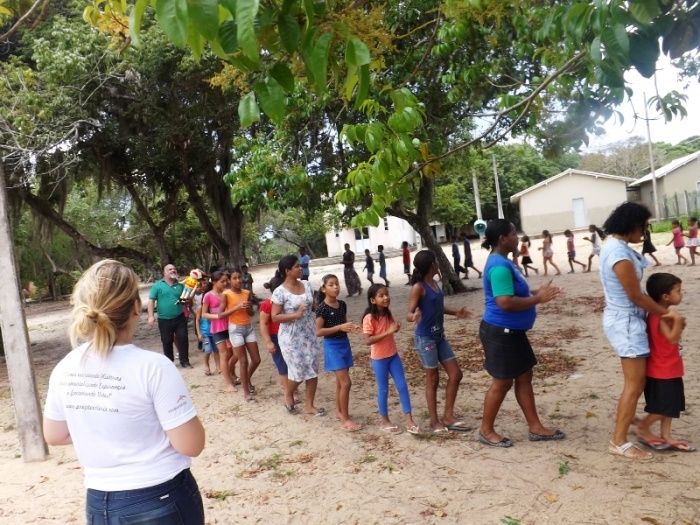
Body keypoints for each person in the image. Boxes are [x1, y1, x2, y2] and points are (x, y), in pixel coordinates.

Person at [43, 260, 205, 523]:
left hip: (99, 502)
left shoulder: (65, 367)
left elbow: (54, 434)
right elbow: (191, 444)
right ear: (136, 308)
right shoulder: (154, 367)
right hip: (160, 496)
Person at [600, 202, 684, 460]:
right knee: (634, 385)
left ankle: (632, 423)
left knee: (638, 382)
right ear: (631, 225)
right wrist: (667, 314)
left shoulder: (617, 247)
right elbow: (636, 295)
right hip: (626, 323)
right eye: (643, 227)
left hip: (627, 320)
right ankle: (619, 442)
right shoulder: (619, 254)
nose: (644, 232)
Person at [478, 220, 566, 447]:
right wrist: (538, 299)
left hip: (512, 332)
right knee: (502, 382)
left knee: (525, 375)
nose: (517, 238)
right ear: (502, 239)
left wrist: (538, 292)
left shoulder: (505, 262)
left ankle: (535, 427)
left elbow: (514, 291)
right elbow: (505, 302)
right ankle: (486, 431)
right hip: (501, 332)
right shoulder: (499, 266)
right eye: (513, 234)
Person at [406, 249, 472, 433]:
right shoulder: (419, 287)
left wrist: (456, 312)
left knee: (456, 374)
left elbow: (437, 307)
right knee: (433, 379)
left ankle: (448, 416)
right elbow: (408, 313)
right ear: (431, 265)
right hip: (425, 338)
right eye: (436, 260)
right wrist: (414, 316)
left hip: (439, 336)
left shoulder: (435, 283)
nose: (439, 263)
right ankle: (434, 421)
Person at [635, 273, 695, 452]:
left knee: (672, 406)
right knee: (664, 407)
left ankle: (666, 435)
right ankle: (643, 427)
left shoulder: (661, 314)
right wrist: (677, 320)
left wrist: (677, 322)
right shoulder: (662, 316)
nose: (681, 294)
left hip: (671, 368)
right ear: (665, 296)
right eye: (678, 291)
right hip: (662, 370)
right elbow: (673, 339)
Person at [271, 255, 325, 416]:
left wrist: (323, 305)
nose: (301, 268)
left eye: (300, 265)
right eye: (296, 266)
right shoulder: (279, 292)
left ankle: (310, 405)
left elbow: (313, 307)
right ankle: (288, 393)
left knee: (312, 369)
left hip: (309, 334)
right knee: (298, 371)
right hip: (290, 338)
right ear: (287, 271)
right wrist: (296, 314)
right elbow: (275, 317)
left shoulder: (307, 285)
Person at [363, 284, 419, 435]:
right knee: (383, 389)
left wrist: (396, 327)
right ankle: (385, 421)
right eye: (381, 295)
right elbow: (367, 340)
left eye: (387, 294)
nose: (386, 297)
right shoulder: (369, 318)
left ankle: (409, 420)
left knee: (402, 386)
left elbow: (393, 327)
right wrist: (388, 332)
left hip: (393, 356)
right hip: (379, 359)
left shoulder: (388, 313)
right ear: (373, 300)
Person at [315, 274, 362, 431]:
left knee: (340, 382)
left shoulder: (342, 304)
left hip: (344, 344)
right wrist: (339, 328)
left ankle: (339, 412)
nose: (335, 287)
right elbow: (318, 331)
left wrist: (352, 327)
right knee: (346, 382)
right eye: (331, 285)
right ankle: (346, 420)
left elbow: (344, 323)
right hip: (332, 346)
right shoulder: (322, 308)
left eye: (337, 284)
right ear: (324, 289)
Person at [259, 276, 299, 404]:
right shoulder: (267, 304)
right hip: (275, 337)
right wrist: (268, 342)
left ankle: (293, 388)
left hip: (289, 336)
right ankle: (287, 392)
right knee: (282, 365)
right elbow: (263, 324)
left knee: (292, 363)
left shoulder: (287, 301)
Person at [224, 268, 260, 403]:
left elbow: (251, 314)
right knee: (243, 361)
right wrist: (236, 307)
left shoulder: (246, 293)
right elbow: (221, 314)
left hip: (248, 327)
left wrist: (248, 308)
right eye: (234, 278)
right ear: (229, 280)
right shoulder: (226, 294)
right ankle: (246, 392)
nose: (238, 280)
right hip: (235, 329)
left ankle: (246, 378)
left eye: (239, 277)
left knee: (256, 359)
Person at [147, 263, 193, 368]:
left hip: (180, 317)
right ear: (165, 273)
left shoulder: (181, 286)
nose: (173, 270)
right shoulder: (157, 286)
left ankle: (185, 361)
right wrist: (150, 316)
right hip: (164, 319)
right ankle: (169, 363)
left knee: (183, 339)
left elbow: (187, 300)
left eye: (174, 269)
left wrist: (186, 300)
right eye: (170, 269)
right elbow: (151, 301)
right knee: (167, 341)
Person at [202, 271, 237, 393]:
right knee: (224, 354)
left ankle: (231, 372)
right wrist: (217, 316)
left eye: (226, 280)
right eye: (222, 281)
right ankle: (228, 383)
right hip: (218, 327)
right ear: (214, 282)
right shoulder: (208, 295)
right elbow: (204, 314)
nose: (225, 283)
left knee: (235, 353)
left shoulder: (228, 293)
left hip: (231, 324)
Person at [194, 281, 220, 376]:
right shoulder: (200, 308)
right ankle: (206, 364)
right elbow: (197, 320)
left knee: (216, 349)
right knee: (208, 350)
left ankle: (218, 366)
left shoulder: (214, 307)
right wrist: (199, 333)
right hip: (205, 332)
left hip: (214, 331)